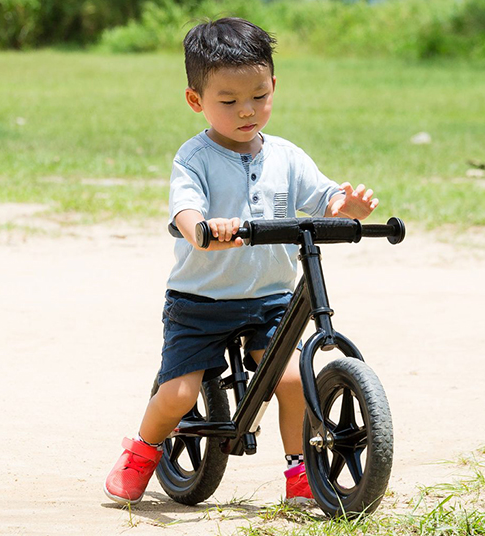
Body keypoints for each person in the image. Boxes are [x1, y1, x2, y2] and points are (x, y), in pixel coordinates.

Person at [104, 16, 380, 506]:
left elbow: (324, 199)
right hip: (201, 303)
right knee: (179, 394)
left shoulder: (287, 157)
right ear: (196, 101)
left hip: (270, 301)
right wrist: (203, 231)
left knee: (293, 380)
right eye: (228, 102)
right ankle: (143, 450)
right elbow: (185, 209)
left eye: (259, 95)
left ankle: (300, 471)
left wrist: (346, 207)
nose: (247, 110)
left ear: (274, 85)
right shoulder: (195, 158)